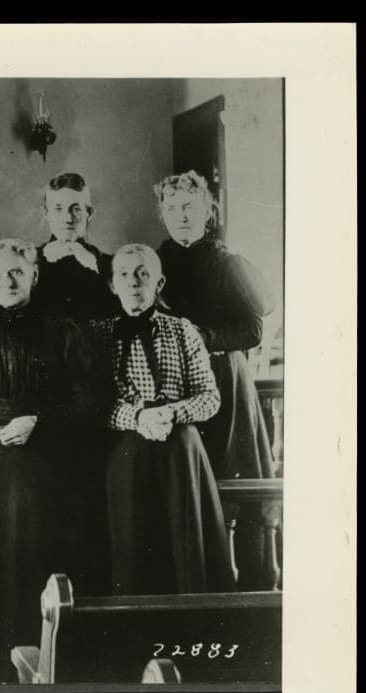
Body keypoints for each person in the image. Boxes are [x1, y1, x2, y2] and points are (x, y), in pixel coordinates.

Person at [0, 238, 106, 682]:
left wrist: (39, 421)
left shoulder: (61, 328)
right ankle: (1, 673)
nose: (8, 280)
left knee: (33, 565)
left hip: (43, 465)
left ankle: (41, 672)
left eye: (17, 272)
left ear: (34, 276)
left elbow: (92, 398)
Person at [93, 244, 234, 595]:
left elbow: (209, 396)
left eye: (143, 273)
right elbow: (94, 404)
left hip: (180, 454)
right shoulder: (98, 334)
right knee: (133, 549)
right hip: (127, 453)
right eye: (124, 275)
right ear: (112, 285)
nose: (134, 282)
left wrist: (170, 412)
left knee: (185, 548)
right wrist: (137, 416)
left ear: (159, 282)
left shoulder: (181, 330)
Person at [153, 170, 276, 479]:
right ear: (162, 213)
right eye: (172, 207)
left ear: (206, 212)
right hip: (171, 381)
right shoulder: (153, 262)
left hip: (223, 377)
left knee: (224, 471)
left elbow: (253, 330)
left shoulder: (226, 262)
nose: (180, 215)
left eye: (189, 207)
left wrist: (204, 338)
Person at [31, 172, 118, 320]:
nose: (67, 218)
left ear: (89, 213)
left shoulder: (110, 265)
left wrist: (93, 269)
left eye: (76, 209)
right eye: (58, 209)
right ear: (46, 213)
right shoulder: (29, 261)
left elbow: (116, 317)